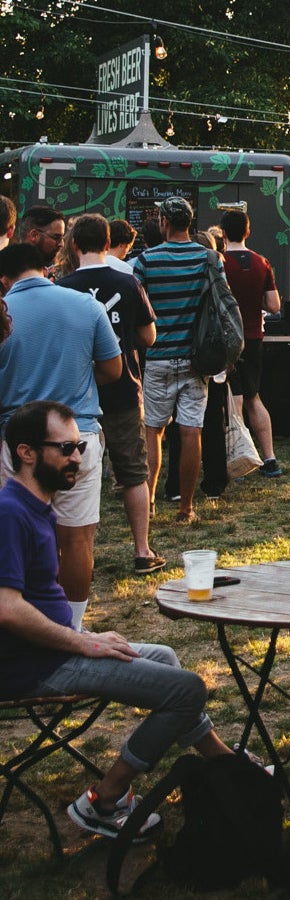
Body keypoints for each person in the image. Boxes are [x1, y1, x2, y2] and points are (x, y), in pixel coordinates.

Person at [0, 401, 237, 840]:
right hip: (31, 667)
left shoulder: (35, 506)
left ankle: (223, 762)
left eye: (80, 447)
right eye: (67, 448)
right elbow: (6, 607)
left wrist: (80, 637)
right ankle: (103, 800)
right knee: (187, 690)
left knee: (164, 655)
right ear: (27, 453)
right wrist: (81, 643)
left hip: (53, 652)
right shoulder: (9, 511)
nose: (78, 458)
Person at [0, 243, 121, 630]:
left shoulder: (5, 310)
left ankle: (33, 628)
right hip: (77, 434)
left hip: (16, 441)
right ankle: (73, 628)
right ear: (47, 269)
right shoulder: (87, 306)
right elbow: (113, 369)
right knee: (78, 541)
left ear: (4, 279)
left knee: (16, 536)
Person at [55, 214, 163, 576]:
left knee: (70, 475)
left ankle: (71, 551)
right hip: (122, 391)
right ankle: (143, 551)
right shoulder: (128, 282)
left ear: (73, 244)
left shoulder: (61, 286)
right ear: (109, 242)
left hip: (73, 393)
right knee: (133, 473)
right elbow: (149, 338)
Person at [135, 195, 219, 522]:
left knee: (153, 431)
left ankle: (150, 501)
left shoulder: (146, 260)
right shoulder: (209, 258)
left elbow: (136, 305)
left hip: (157, 357)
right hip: (196, 359)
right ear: (190, 222)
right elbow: (220, 303)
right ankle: (186, 507)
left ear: (163, 223)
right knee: (190, 432)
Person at [218, 210, 283, 478]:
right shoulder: (262, 262)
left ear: (222, 233)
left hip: (225, 340)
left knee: (234, 400)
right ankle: (269, 458)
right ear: (248, 231)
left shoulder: (218, 262)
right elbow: (274, 305)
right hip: (254, 337)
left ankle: (240, 457)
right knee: (254, 398)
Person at [14, 205, 65, 275]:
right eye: (56, 237)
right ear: (34, 235)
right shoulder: (8, 271)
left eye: (62, 238)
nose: (61, 244)